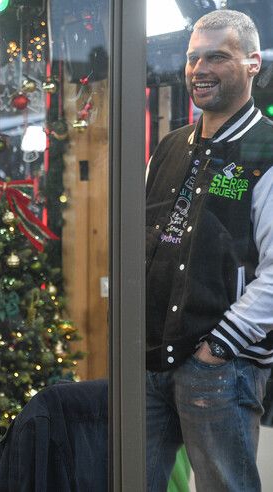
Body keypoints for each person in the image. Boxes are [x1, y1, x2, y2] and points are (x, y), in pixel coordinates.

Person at [145, 10, 273, 492]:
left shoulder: (266, 150)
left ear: (253, 63)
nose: (199, 69)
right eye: (193, 57)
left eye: (217, 57)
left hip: (221, 367)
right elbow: (151, 244)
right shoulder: (171, 146)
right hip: (152, 356)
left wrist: (217, 348)